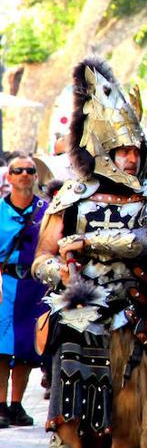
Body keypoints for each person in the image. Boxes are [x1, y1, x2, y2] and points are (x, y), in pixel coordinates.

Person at [30, 58, 147, 448]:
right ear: (99, 148)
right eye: (121, 149)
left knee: (129, 414)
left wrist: (89, 244)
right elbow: (42, 259)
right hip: (76, 319)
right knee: (67, 414)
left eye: (136, 149)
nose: (132, 159)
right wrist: (63, 271)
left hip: (131, 319)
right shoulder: (72, 195)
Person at [0, 153, 49, 428]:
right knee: (2, 348)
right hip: (5, 285)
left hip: (34, 285)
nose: (24, 175)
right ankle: (0, 404)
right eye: (18, 171)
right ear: (9, 177)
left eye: (29, 171)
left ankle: (17, 405)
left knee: (27, 349)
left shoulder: (47, 209)